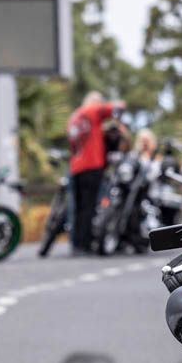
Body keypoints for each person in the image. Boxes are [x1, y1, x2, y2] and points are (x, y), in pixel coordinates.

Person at [66, 91, 124, 254]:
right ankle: (85, 244)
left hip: (76, 166)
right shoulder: (93, 111)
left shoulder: (75, 116)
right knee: (89, 206)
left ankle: (76, 244)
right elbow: (118, 107)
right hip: (91, 165)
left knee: (77, 207)